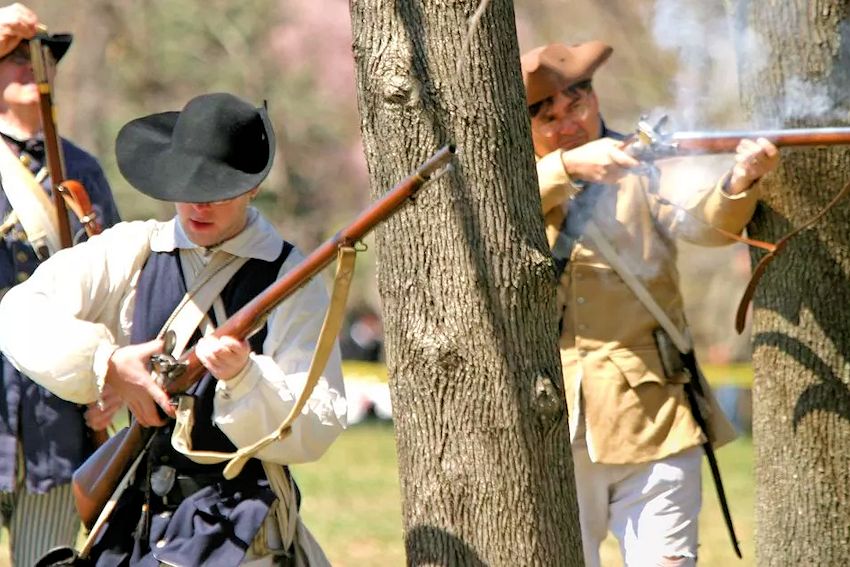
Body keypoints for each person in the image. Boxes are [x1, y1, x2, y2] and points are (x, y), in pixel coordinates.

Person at [0, 92, 346, 565]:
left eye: (216, 190)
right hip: (138, 511)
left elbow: (318, 422)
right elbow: (19, 312)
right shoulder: (136, 250)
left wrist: (247, 378)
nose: (198, 205)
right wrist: (107, 363)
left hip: (240, 523)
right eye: (187, 187)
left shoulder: (292, 277)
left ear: (251, 189)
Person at [521, 41, 779, 566]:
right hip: (552, 424)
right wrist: (569, 167)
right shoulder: (515, 186)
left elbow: (702, 222)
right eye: (550, 118)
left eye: (577, 106)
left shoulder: (642, 164)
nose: (568, 123)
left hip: (654, 413)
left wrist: (740, 179)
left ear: (595, 99)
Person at [0, 4, 121, 565]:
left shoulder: (80, 168)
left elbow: (120, 286)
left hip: (55, 414)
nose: (29, 66)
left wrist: (112, 381)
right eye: (12, 56)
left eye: (37, 57)